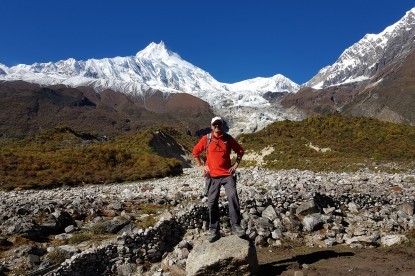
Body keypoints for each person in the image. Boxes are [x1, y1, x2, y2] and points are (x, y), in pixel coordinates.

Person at [193, 116, 245, 242]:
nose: (217, 127)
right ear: (212, 127)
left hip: (227, 175)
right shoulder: (207, 139)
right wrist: (201, 166)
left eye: (219, 125)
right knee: (212, 202)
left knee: (232, 196)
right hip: (212, 177)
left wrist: (235, 165)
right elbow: (195, 152)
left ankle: (236, 226)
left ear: (222, 126)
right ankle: (214, 229)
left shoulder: (228, 138)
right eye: (215, 125)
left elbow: (240, 151)